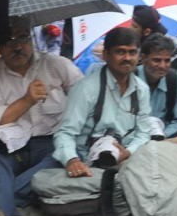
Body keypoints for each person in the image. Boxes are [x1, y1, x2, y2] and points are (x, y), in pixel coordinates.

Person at [0, 20, 84, 216]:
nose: (17, 46)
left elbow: (85, 99)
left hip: (51, 142)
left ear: (32, 39)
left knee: (59, 162)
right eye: (9, 41)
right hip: (13, 144)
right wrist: (26, 101)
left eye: (23, 38)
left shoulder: (57, 65)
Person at [52, 28, 152, 179]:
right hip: (88, 161)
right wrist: (72, 160)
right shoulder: (86, 88)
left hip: (127, 159)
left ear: (139, 56)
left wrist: (128, 152)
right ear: (106, 55)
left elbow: (144, 133)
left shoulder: (141, 89)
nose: (127, 58)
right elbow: (65, 132)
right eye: (120, 52)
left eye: (132, 52)